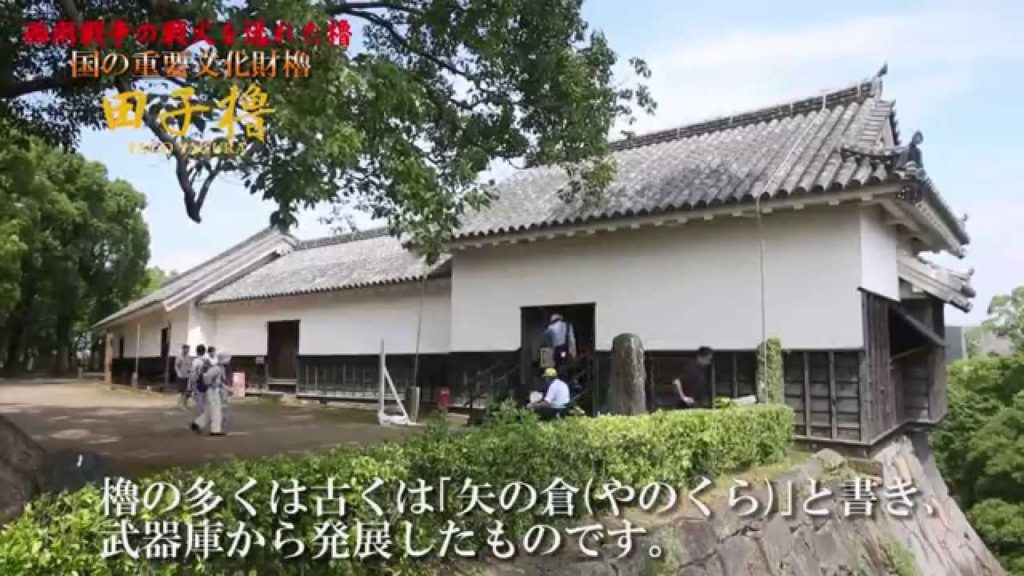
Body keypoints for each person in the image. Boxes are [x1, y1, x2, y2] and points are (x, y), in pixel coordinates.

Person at [191, 351, 231, 436]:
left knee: (210, 410)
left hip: (215, 390)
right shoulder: (216, 368)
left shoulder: (220, 368)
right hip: (212, 390)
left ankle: (197, 424)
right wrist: (212, 384)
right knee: (216, 411)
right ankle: (215, 430)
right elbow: (206, 377)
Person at [189, 344, 212, 414]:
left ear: (196, 351)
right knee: (206, 398)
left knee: (200, 398)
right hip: (208, 381)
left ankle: (203, 414)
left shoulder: (195, 361)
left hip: (200, 381)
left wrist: (192, 383)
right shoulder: (208, 360)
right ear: (204, 352)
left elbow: (193, 373)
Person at [174, 344, 192, 409]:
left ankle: (184, 404)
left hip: (188, 376)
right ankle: (182, 404)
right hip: (181, 376)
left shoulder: (189, 357)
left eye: (187, 349)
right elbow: (176, 366)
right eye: (185, 349)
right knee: (182, 391)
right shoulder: (179, 357)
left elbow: (190, 366)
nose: (186, 350)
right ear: (183, 349)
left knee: (188, 391)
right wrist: (178, 372)